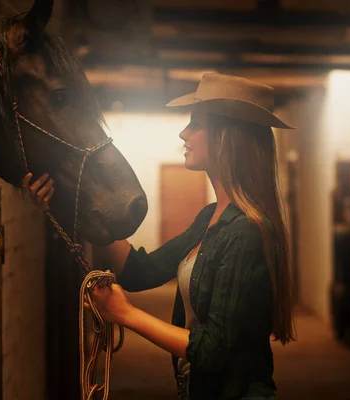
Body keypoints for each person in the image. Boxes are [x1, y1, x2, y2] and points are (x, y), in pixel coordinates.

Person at [24, 73, 297, 400]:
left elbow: (212, 350)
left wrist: (126, 315)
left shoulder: (246, 231)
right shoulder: (210, 218)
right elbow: (140, 270)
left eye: (196, 124)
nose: (184, 133)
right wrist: (70, 206)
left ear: (227, 136)